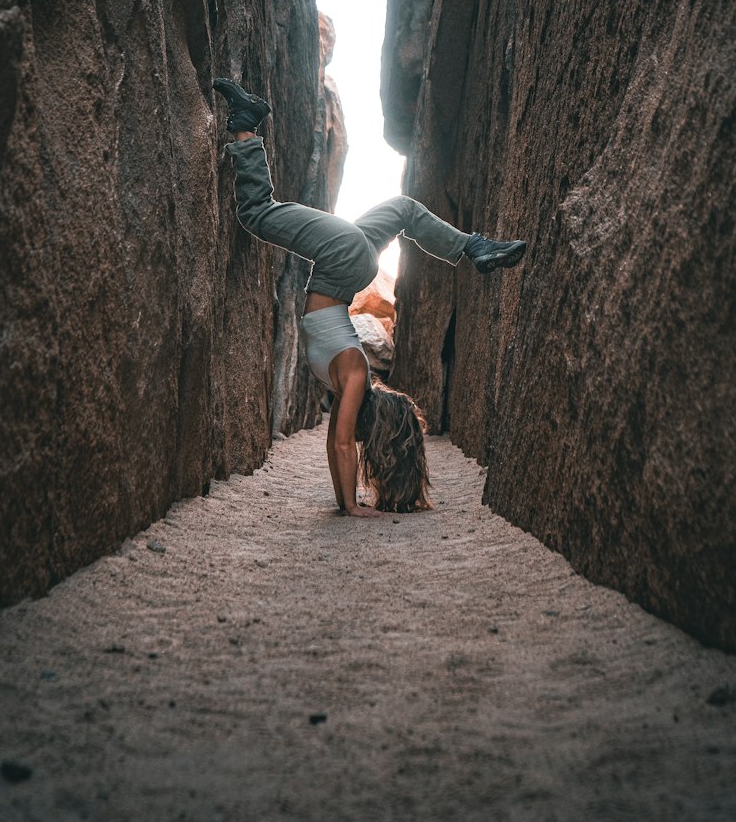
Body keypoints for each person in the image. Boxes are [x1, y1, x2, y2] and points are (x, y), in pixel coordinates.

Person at [213, 78, 527, 518]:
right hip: (342, 259)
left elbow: (334, 440)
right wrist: (351, 508)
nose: (356, 438)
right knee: (256, 212)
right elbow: (341, 441)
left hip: (347, 261)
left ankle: (471, 247)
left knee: (403, 209)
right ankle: (246, 122)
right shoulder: (354, 374)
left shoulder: (350, 385)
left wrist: (347, 500)